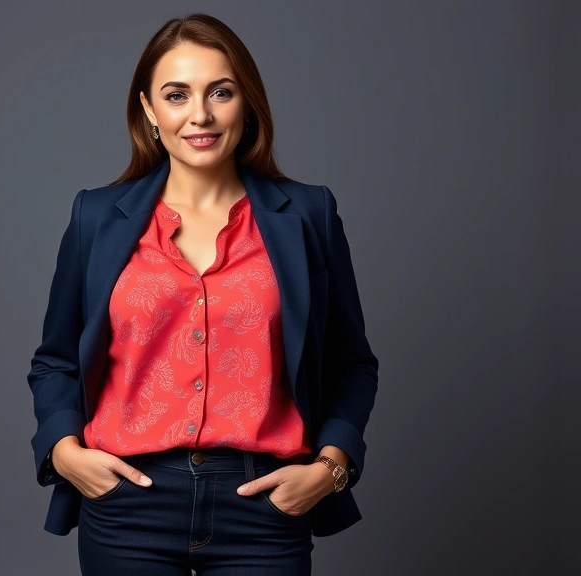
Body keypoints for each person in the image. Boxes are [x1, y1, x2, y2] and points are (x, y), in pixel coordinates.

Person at [26, 13, 379, 575]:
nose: (200, 115)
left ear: (247, 102)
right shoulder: (97, 217)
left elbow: (351, 363)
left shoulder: (307, 215)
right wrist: (64, 451)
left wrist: (332, 466)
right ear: (148, 108)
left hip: (263, 505)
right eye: (176, 94)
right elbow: (55, 360)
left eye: (220, 91)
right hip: (127, 505)